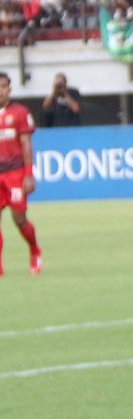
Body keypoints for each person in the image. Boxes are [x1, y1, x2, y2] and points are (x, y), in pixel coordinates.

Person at [0, 72, 41, 275]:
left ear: (9, 89)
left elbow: (26, 144)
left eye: (3, 86)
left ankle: (34, 250)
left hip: (14, 173)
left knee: (19, 219)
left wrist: (28, 174)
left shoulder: (19, 112)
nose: (0, 91)